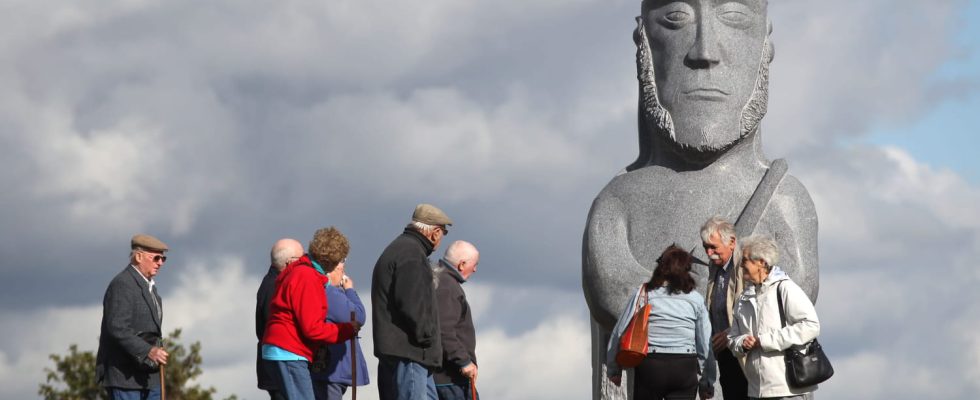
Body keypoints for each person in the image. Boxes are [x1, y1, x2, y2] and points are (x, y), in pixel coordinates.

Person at [583, 1, 820, 396]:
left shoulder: (786, 199)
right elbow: (611, 293)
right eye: (676, 17)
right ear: (644, 43)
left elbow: (793, 301)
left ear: (766, 46)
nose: (704, 51)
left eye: (734, 16)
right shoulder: (617, 202)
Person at [263, 227, 361, 400]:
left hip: (281, 349)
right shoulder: (307, 278)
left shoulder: (298, 271)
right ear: (332, 261)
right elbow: (312, 329)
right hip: (289, 352)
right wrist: (346, 330)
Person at [605, 245, 715, 399]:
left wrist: (613, 369)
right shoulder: (696, 299)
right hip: (684, 367)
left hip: (651, 366)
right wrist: (707, 383)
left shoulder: (644, 294)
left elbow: (619, 330)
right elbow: (705, 343)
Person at [372, 203, 453, 400]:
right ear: (434, 232)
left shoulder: (402, 249)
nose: (441, 238)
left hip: (407, 351)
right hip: (411, 353)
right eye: (443, 232)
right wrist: (427, 337)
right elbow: (413, 304)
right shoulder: (411, 254)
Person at [728, 235, 820, 399]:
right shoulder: (743, 298)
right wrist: (742, 343)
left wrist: (765, 341)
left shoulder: (785, 288)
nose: (741, 265)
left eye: (745, 260)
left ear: (762, 263)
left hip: (788, 389)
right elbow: (732, 338)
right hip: (757, 391)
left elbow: (811, 325)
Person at [96, 234, 171, 400]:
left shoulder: (152, 289)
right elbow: (117, 327)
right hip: (125, 377)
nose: (160, 263)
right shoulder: (122, 284)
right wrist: (148, 351)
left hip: (149, 377)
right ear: (138, 256)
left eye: (163, 259)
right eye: (156, 258)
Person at [699, 217, 748, 400]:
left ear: (732, 242)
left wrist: (730, 333)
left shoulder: (745, 265)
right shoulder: (716, 267)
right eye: (706, 247)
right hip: (725, 351)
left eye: (714, 247)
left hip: (744, 349)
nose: (709, 253)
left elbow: (754, 309)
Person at [310, 255, 370, 399]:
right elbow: (358, 315)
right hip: (331, 370)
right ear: (331, 268)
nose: (343, 268)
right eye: (341, 262)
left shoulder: (328, 291)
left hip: (329, 368)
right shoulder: (329, 292)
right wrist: (349, 290)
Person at [256, 238, 304, 400]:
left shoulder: (275, 283)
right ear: (290, 263)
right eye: (301, 259)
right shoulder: (275, 288)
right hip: (281, 367)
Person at [433, 241, 481, 400]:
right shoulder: (447, 287)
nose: (475, 269)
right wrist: (464, 361)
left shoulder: (440, 280)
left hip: (446, 378)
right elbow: (444, 330)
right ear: (462, 264)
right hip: (450, 379)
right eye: (474, 265)